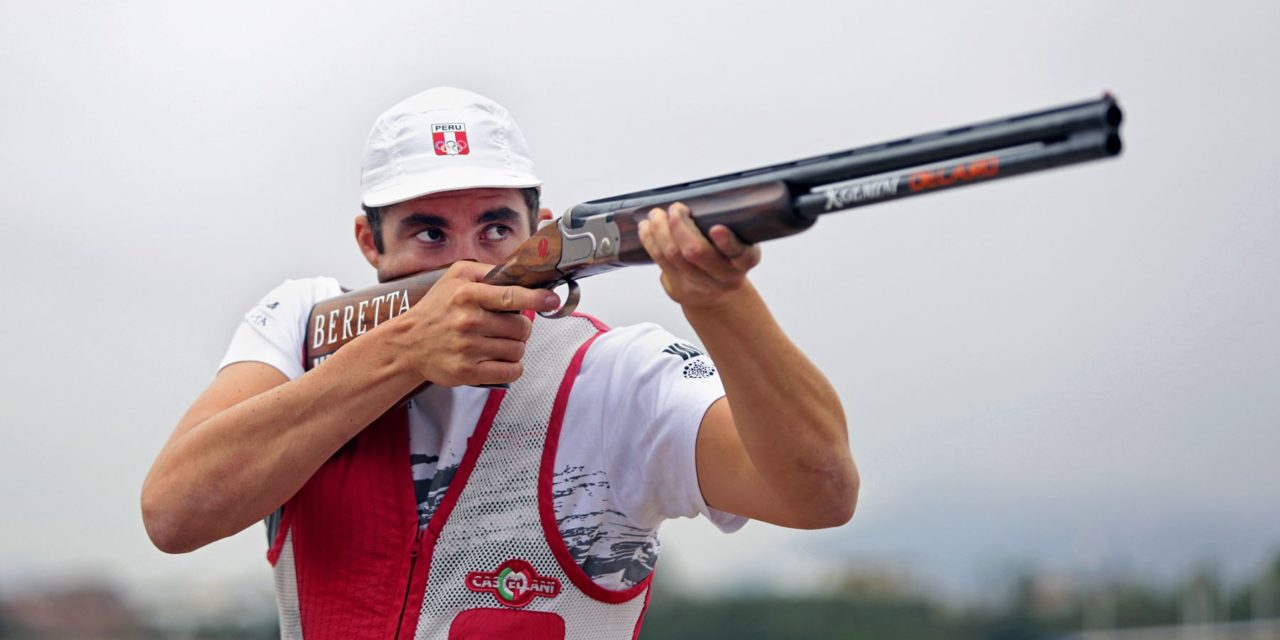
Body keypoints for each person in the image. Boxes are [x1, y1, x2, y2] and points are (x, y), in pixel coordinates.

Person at [141, 87, 858, 639]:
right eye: (429, 232)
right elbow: (175, 512)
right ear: (369, 242)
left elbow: (819, 493)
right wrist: (402, 352)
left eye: (495, 228)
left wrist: (723, 301)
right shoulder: (303, 326)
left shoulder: (617, 373)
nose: (466, 264)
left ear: (540, 234)